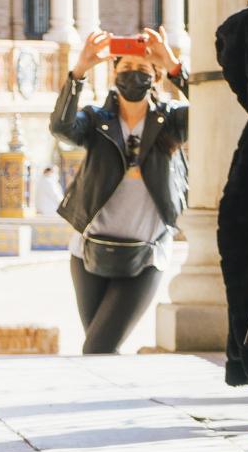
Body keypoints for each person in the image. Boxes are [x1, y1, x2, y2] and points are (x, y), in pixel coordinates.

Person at [50, 26, 188, 355]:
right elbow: (61, 128)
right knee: (100, 352)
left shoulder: (171, 121)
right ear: (114, 74)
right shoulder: (96, 121)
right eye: (126, 68)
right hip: (89, 253)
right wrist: (80, 70)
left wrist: (172, 64)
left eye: (142, 70)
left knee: (97, 347)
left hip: (147, 253)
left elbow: (214, 108)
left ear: (155, 78)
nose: (133, 76)